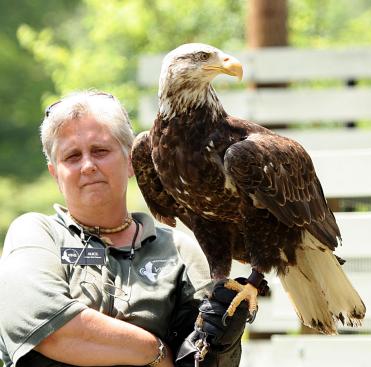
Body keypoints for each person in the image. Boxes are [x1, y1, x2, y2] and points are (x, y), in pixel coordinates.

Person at [0, 91, 248, 367]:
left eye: (100, 151)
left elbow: (206, 357)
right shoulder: (36, 234)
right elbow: (50, 330)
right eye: (71, 156)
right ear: (55, 173)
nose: (88, 166)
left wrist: (221, 350)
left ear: (131, 161)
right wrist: (155, 351)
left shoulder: (179, 250)